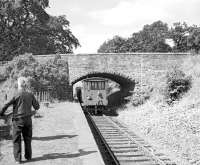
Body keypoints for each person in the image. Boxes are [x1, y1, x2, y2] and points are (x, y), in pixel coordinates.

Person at [0, 77, 40, 164]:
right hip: (28, 120)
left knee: (16, 140)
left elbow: (6, 104)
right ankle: (28, 157)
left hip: (18, 120)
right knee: (28, 139)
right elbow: (37, 106)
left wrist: (1, 113)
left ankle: (18, 159)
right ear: (25, 85)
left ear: (18, 84)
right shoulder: (30, 94)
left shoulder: (15, 94)